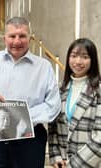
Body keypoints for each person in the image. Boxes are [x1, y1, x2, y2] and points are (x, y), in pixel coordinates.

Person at [0, 16, 61, 168]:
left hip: (30, 139)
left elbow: (53, 105)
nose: (17, 41)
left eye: (22, 36)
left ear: (30, 38)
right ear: (4, 37)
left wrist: (22, 118)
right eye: (12, 36)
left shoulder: (44, 67)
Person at [48, 38, 101, 168]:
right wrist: (56, 157)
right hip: (62, 163)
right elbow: (53, 128)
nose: (78, 61)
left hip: (89, 163)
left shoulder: (98, 90)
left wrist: (74, 165)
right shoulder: (60, 89)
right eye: (74, 56)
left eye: (85, 57)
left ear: (92, 60)